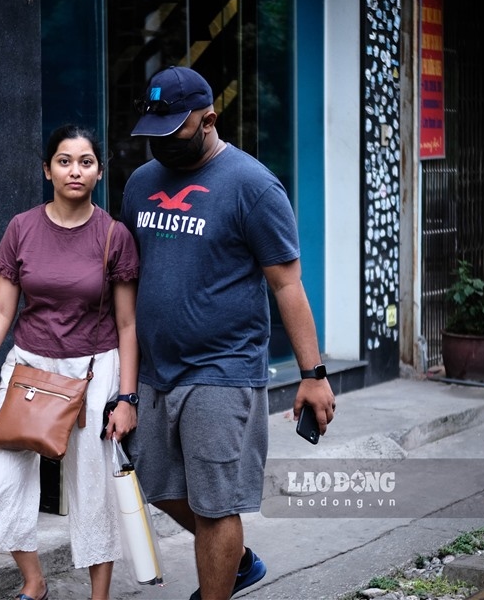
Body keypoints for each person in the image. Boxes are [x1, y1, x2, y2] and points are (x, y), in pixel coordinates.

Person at [120, 66, 336, 600]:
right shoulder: (141, 183)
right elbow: (127, 274)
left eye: (174, 131)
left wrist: (313, 375)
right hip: (154, 370)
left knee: (217, 502)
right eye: (154, 133)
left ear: (209, 119)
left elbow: (287, 285)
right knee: (152, 481)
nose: (160, 145)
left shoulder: (253, 185)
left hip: (223, 368)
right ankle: (235, 559)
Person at [0, 124, 140, 600]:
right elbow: (0, 309)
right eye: (64, 160)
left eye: (85, 161)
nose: (74, 170)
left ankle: (98, 596)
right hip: (30, 370)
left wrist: (127, 398)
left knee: (93, 489)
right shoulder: (22, 227)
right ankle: (34, 581)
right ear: (47, 169)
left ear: (99, 172)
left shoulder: (113, 235)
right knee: (0, 477)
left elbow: (127, 326)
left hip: (93, 374)